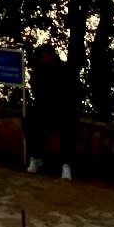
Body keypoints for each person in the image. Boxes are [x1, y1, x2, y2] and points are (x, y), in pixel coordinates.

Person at [26, 42, 79, 180]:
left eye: (44, 56)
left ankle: (66, 164)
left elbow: (73, 92)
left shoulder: (65, 70)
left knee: (68, 128)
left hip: (64, 108)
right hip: (44, 107)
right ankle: (35, 157)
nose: (42, 59)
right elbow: (36, 90)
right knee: (30, 122)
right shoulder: (39, 70)